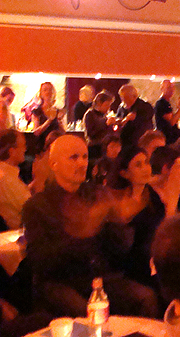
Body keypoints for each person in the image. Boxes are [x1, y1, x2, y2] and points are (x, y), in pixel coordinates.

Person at [22, 135, 159, 318]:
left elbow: (119, 249)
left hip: (99, 277)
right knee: (86, 312)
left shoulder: (97, 194)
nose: (82, 163)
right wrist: (80, 233)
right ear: (54, 164)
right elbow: (39, 260)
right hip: (60, 282)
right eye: (74, 157)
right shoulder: (38, 205)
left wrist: (119, 222)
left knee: (145, 297)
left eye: (85, 157)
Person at [106, 147, 166, 287]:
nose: (146, 168)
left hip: (150, 257)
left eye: (146, 162)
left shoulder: (153, 196)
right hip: (127, 263)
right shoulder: (116, 200)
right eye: (138, 165)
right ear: (125, 173)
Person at [0, 130, 31, 230]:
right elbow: (36, 211)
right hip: (21, 235)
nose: (25, 149)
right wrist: (41, 179)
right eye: (23, 146)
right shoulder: (7, 179)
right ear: (12, 151)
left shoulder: (8, 174)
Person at [116, 84, 154, 149]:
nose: (123, 101)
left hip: (139, 143)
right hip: (124, 143)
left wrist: (133, 118)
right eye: (122, 98)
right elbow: (119, 119)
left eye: (126, 98)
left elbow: (145, 122)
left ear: (134, 96)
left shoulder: (145, 106)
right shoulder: (121, 107)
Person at [31, 82, 65, 154]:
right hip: (41, 147)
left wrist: (59, 121)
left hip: (56, 147)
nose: (48, 92)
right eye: (45, 90)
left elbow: (63, 132)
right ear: (41, 94)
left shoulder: (57, 111)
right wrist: (49, 120)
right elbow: (36, 132)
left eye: (50, 90)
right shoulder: (37, 111)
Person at [83, 90, 116, 160]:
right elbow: (90, 134)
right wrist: (106, 124)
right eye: (107, 104)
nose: (108, 108)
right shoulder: (90, 114)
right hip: (94, 149)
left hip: (105, 149)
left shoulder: (104, 116)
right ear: (99, 103)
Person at [154, 80, 180, 145]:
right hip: (167, 139)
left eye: (172, 87)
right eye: (168, 87)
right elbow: (172, 122)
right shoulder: (161, 103)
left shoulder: (167, 103)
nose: (171, 90)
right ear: (162, 89)